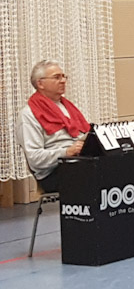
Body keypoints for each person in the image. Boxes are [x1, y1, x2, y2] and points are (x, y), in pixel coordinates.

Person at [16, 60, 89, 192]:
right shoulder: (29, 114)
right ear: (40, 83)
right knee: (102, 175)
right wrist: (66, 152)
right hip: (54, 173)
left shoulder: (68, 107)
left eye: (64, 76)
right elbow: (35, 159)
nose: (63, 81)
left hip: (79, 163)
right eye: (57, 77)